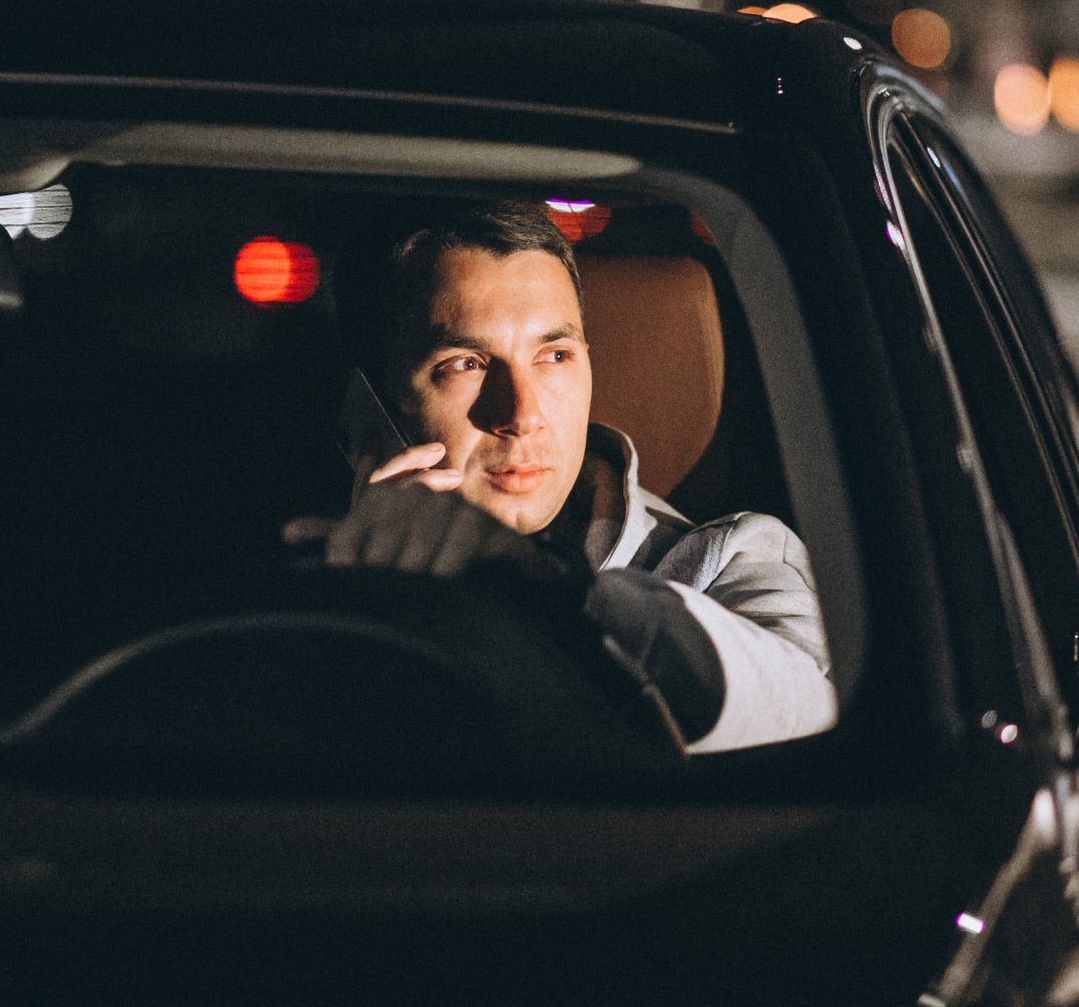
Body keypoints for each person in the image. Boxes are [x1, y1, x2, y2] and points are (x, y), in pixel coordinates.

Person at [295, 200, 835, 754]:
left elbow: (807, 707)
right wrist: (365, 599)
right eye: (464, 364)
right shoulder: (290, 593)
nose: (523, 415)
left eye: (554, 355)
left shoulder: (735, 559)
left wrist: (541, 591)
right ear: (370, 410)